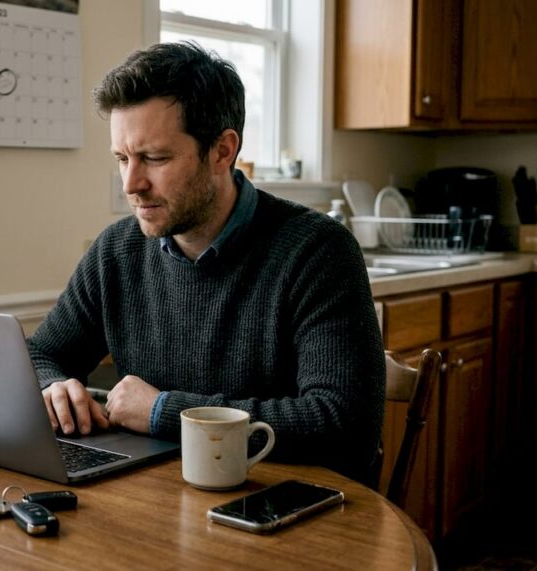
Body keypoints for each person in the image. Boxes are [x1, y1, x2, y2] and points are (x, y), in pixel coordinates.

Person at [27, 41, 385, 481]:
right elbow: (38, 353)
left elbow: (342, 422)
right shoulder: (116, 251)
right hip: (160, 500)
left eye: (154, 158)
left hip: (290, 512)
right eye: (122, 159)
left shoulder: (318, 251)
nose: (131, 183)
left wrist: (165, 411)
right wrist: (52, 386)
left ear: (222, 151)